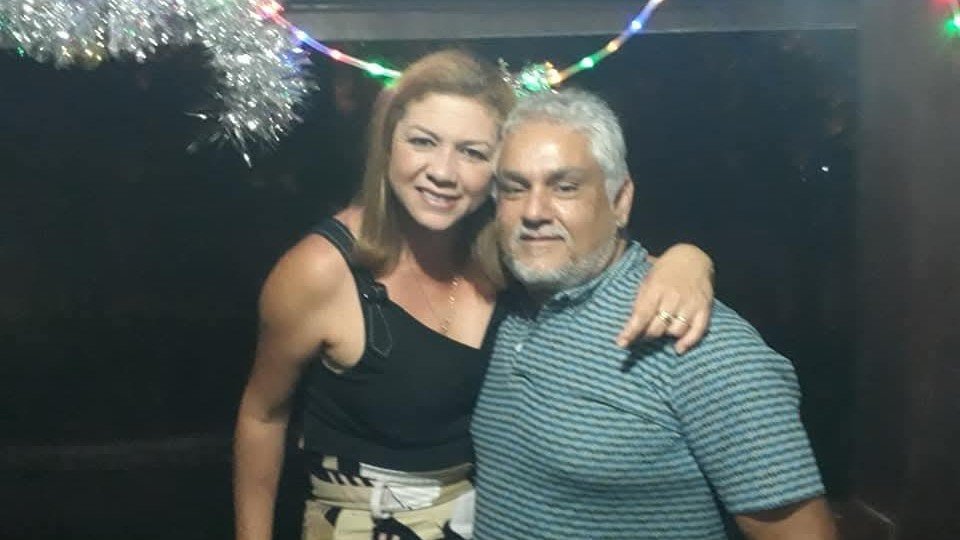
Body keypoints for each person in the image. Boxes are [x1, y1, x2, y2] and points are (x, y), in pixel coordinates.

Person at [234, 50, 716, 540]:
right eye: (423, 141)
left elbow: (607, 255)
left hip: (492, 522)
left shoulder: (509, 256)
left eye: (473, 153)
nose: (444, 172)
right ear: (388, 144)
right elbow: (262, 416)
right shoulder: (322, 270)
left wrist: (690, 259)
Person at [471, 89, 837, 539]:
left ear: (620, 200)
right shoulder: (500, 305)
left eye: (565, 187)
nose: (533, 211)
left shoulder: (704, 348)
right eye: (514, 188)